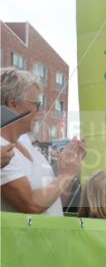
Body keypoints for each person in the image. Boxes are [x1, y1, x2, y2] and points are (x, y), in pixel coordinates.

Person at [1, 67, 86, 215]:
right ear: (12, 103)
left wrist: (66, 169)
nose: (40, 111)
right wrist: (65, 175)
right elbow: (31, 205)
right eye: (36, 104)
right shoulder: (2, 147)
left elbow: (53, 204)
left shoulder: (26, 142)